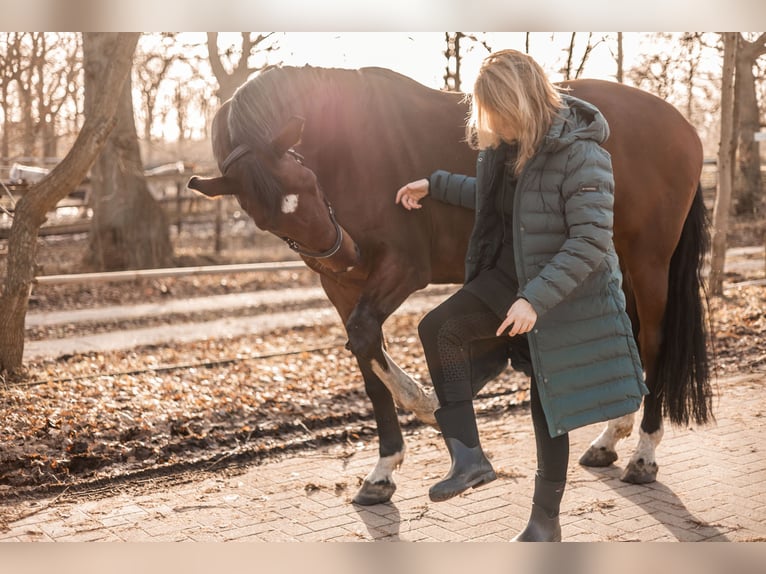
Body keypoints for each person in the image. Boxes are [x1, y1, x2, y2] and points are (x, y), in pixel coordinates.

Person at [395, 49, 648, 542]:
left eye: (500, 113)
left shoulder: (582, 152)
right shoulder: (505, 147)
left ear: (523, 102)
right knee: (437, 328)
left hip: (560, 291)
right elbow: (498, 199)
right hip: (507, 276)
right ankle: (468, 457)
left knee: (546, 402)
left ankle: (543, 524)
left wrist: (535, 299)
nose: (494, 125)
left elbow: (591, 241)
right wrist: (436, 184)